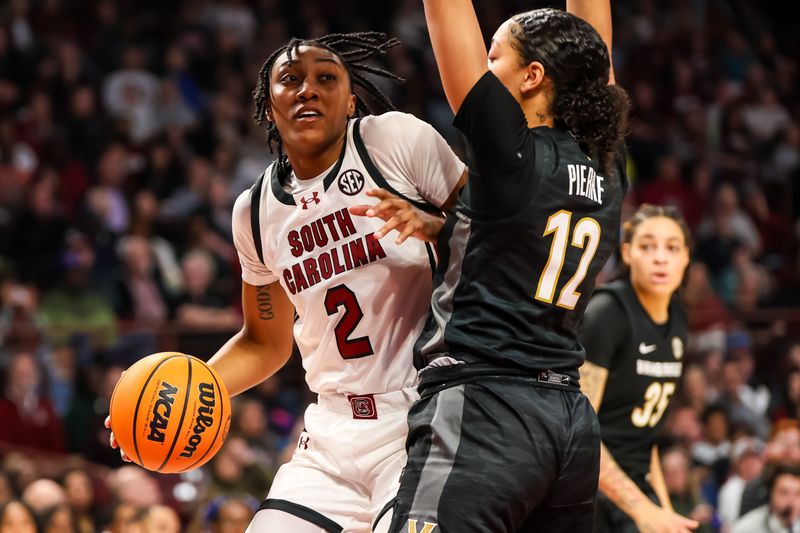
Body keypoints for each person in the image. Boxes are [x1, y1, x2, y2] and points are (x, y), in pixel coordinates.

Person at [109, 32, 466, 533]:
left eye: (326, 78)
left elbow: (495, 229)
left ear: (351, 101)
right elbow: (264, 342)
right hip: (331, 431)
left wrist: (434, 227)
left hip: (425, 409)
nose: (308, 89)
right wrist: (162, 400)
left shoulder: (394, 142)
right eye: (290, 79)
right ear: (268, 105)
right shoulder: (254, 213)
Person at [387, 1, 630, 532]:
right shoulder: (609, 163)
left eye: (493, 56)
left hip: (487, 410)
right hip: (568, 423)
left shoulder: (511, 155)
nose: (484, 65)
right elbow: (595, 60)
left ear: (532, 77)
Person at [579, 205, 697, 533]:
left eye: (672, 248)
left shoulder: (678, 319)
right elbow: (579, 433)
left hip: (637, 487)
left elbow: (646, 440)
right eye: (647, 246)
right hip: (589, 487)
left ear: (686, 257)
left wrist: (664, 510)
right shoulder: (606, 313)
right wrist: (643, 511)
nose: (661, 258)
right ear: (628, 254)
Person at [732, 465, 800, 533]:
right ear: (770, 493)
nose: (792, 500)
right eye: (784, 493)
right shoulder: (746, 528)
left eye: (797, 494)